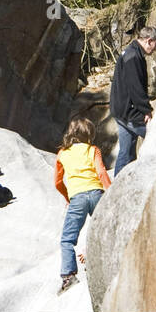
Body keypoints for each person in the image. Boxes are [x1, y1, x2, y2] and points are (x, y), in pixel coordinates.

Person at [54, 116, 112, 294]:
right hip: (96, 193)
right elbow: (101, 172)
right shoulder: (92, 150)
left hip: (77, 197)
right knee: (105, 228)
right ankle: (99, 258)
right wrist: (110, 193)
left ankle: (68, 275)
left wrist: (68, 197)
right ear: (89, 134)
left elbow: (57, 181)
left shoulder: (63, 153)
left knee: (67, 239)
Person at [110, 26, 156, 176]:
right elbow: (135, 87)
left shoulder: (131, 52)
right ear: (149, 41)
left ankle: (117, 188)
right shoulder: (133, 56)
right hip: (129, 111)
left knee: (126, 154)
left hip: (120, 111)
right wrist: (146, 110)